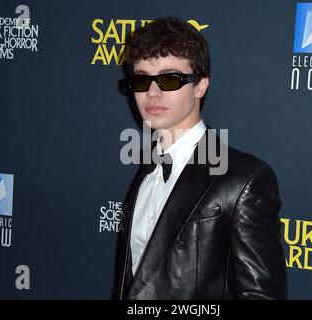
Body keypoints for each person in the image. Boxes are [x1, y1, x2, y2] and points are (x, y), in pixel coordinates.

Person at [112, 17, 287, 300]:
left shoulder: (243, 179)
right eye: (142, 80)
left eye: (169, 79)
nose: (152, 93)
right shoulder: (146, 172)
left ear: (201, 86)